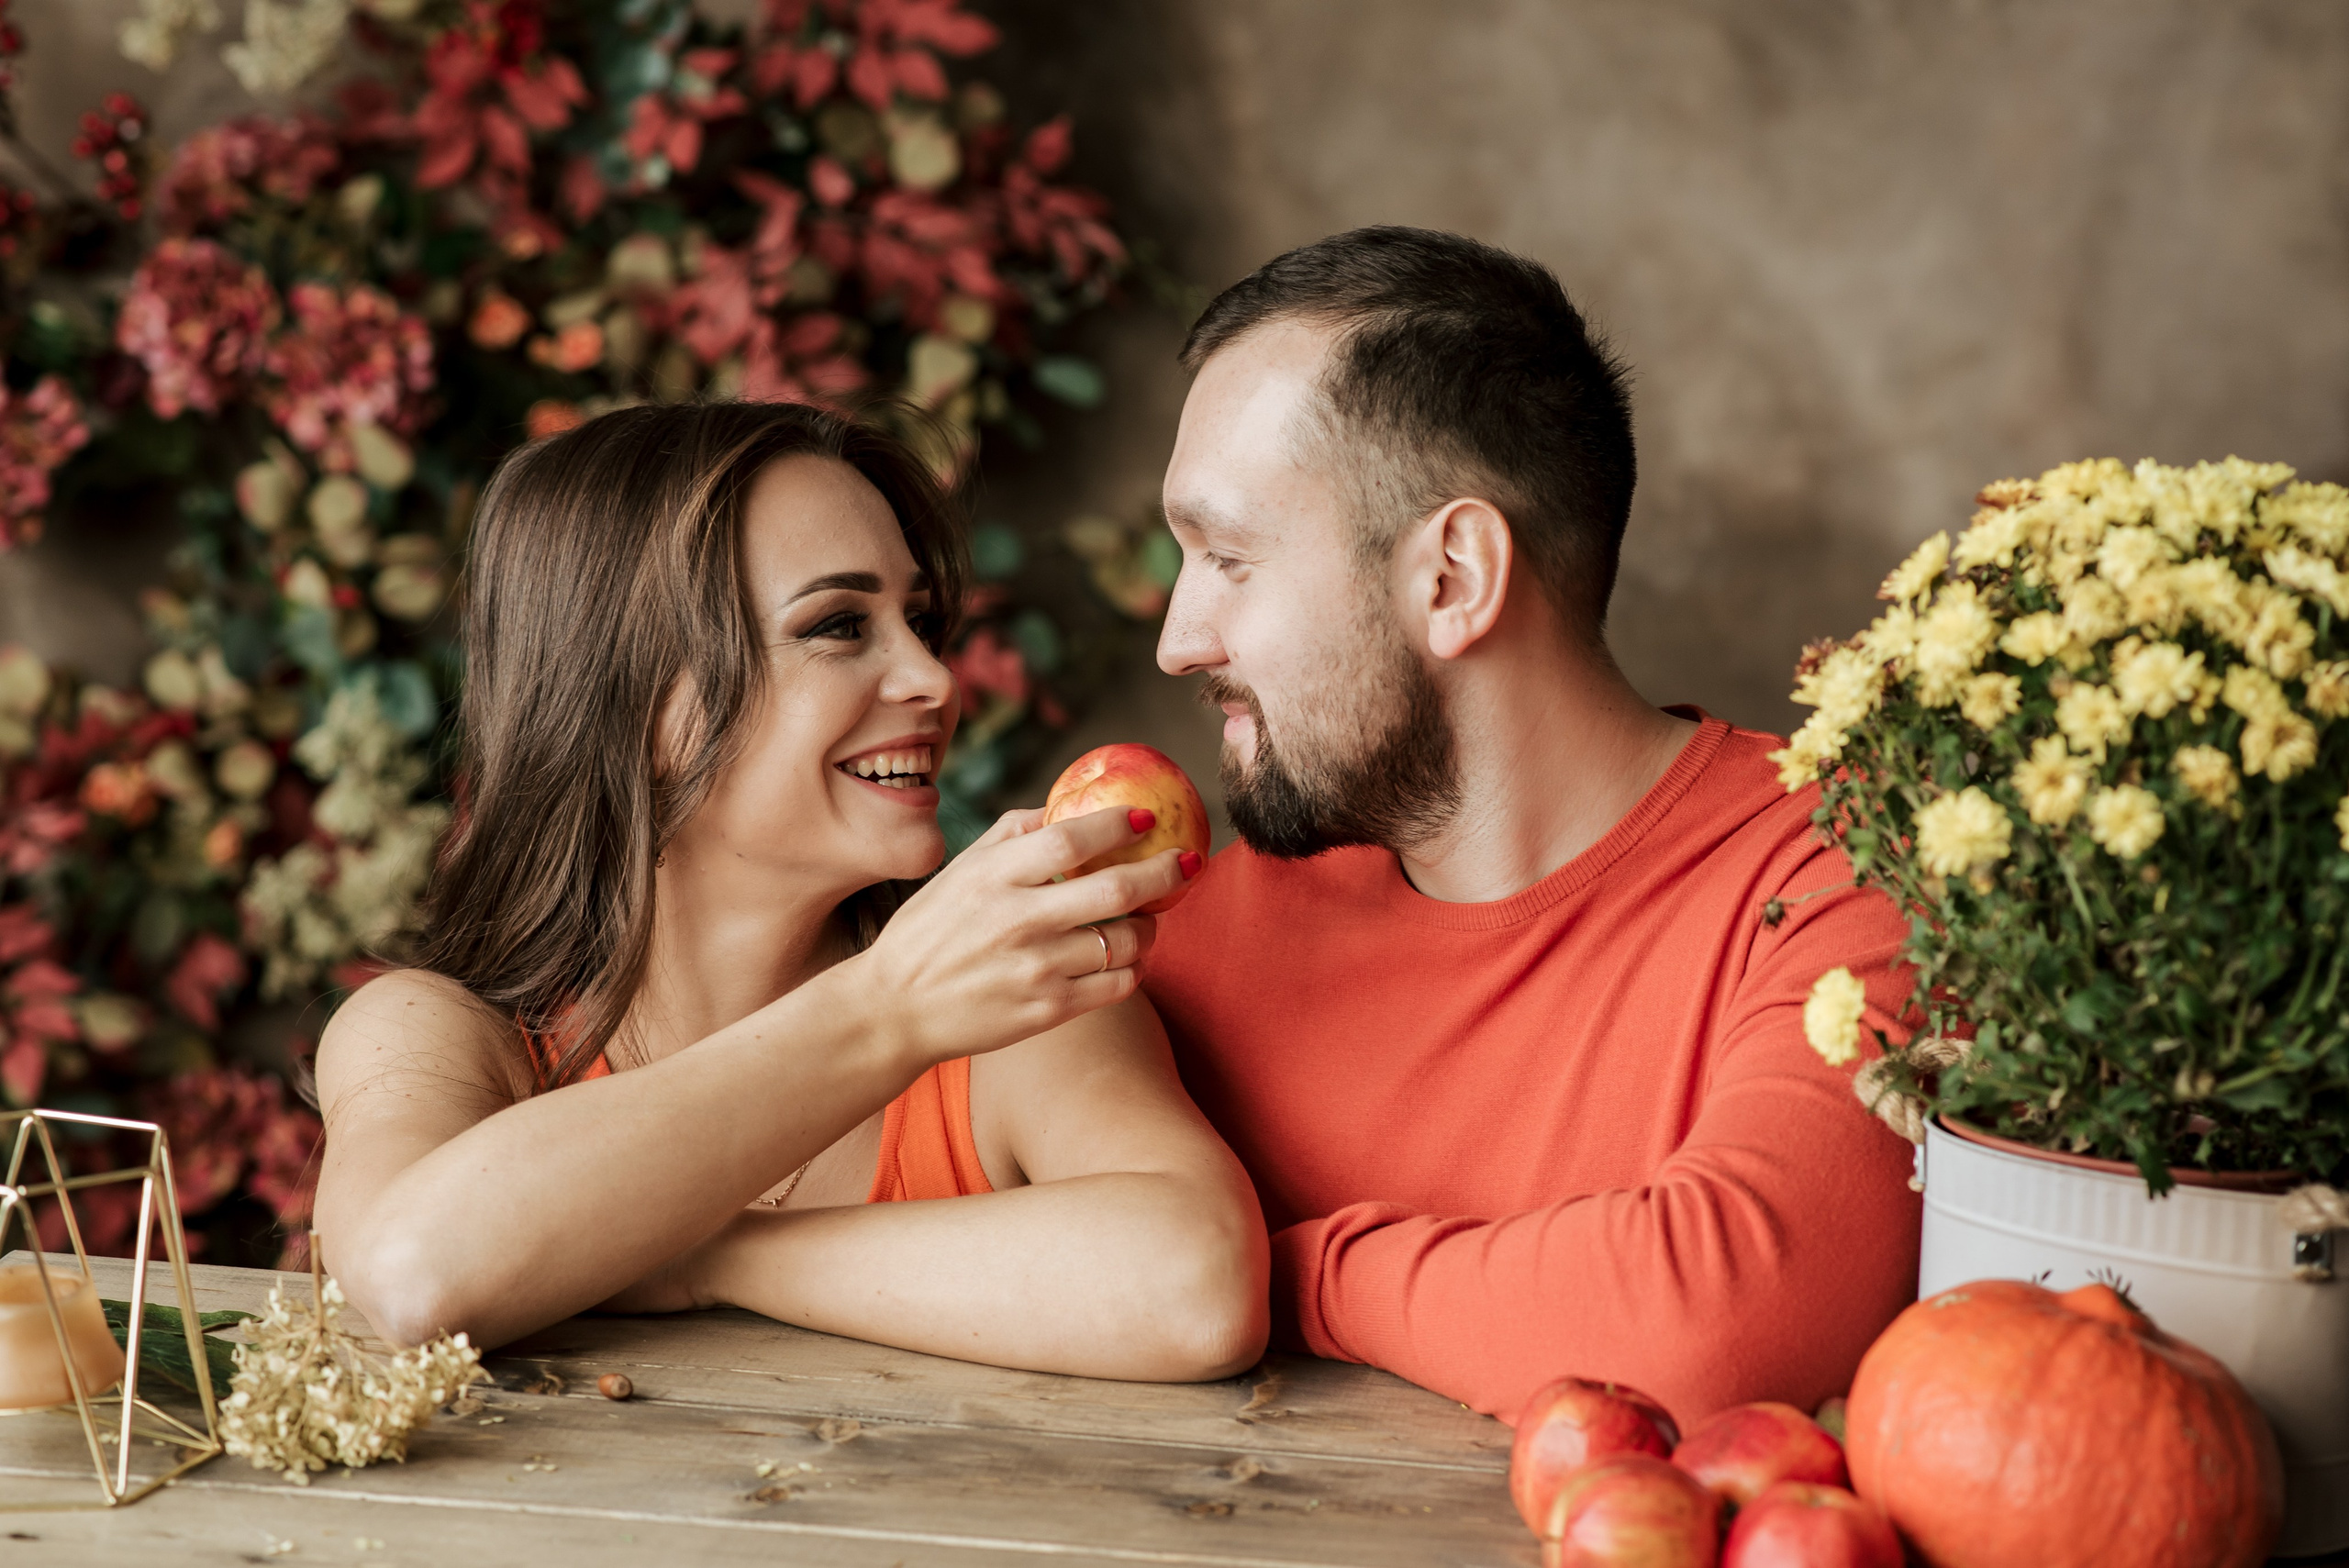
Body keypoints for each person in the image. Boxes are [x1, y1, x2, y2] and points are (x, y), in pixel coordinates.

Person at [312, 401, 1268, 1381]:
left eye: (921, 621)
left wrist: (703, 1251)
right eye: (839, 624)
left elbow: (1197, 1284)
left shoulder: (1012, 1002)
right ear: (637, 697)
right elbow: (408, 1274)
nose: (933, 676)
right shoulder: (433, 1032)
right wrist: (887, 1006)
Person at [1141, 226, 1920, 1426]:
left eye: (1231, 558)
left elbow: (1711, 1328)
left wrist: (1243, 1271)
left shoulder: (1839, 868)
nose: (1179, 640)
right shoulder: (1192, 935)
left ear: (1453, 576)